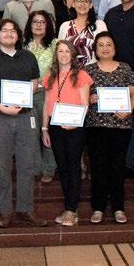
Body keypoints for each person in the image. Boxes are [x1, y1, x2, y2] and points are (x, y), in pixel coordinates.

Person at [0, 19, 47, 229]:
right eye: (4, 30)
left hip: (25, 116)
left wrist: (21, 100)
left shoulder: (28, 56)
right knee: (2, 166)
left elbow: (34, 84)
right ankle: (5, 212)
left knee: (27, 165)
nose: (8, 33)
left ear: (18, 35)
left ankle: (26, 210)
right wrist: (2, 107)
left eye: (13, 30)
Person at [84, 32, 134, 224]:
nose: (105, 48)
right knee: (98, 167)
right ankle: (98, 207)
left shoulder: (125, 68)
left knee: (117, 168)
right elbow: (81, 95)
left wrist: (129, 110)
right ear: (95, 49)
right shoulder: (88, 70)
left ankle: (118, 208)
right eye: (101, 45)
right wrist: (89, 99)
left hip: (120, 126)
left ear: (115, 48)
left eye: (109, 44)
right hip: (96, 126)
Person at [41, 41, 92, 227]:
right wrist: (44, 129)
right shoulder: (50, 76)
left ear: (73, 55)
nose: (63, 54)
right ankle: (70, 207)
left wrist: (74, 123)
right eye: (60, 51)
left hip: (75, 126)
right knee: (62, 167)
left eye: (67, 51)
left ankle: (71, 209)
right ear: (56, 55)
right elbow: (46, 104)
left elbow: (85, 104)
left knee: (73, 166)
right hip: (55, 125)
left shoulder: (81, 75)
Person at [23, 11, 58, 183]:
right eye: (35, 21)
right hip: (27, 95)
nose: (38, 25)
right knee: (31, 132)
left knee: (47, 130)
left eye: (42, 22)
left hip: (48, 93)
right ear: (29, 25)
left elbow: (60, 67)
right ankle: (35, 167)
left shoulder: (55, 44)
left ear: (48, 25)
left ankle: (48, 168)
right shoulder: (22, 45)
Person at [57, 0, 107, 67]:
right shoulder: (65, 26)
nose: (82, 4)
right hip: (70, 70)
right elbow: (59, 51)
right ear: (73, 4)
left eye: (86, 1)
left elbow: (105, 50)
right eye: (79, 1)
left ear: (90, 5)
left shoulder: (100, 25)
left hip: (94, 70)